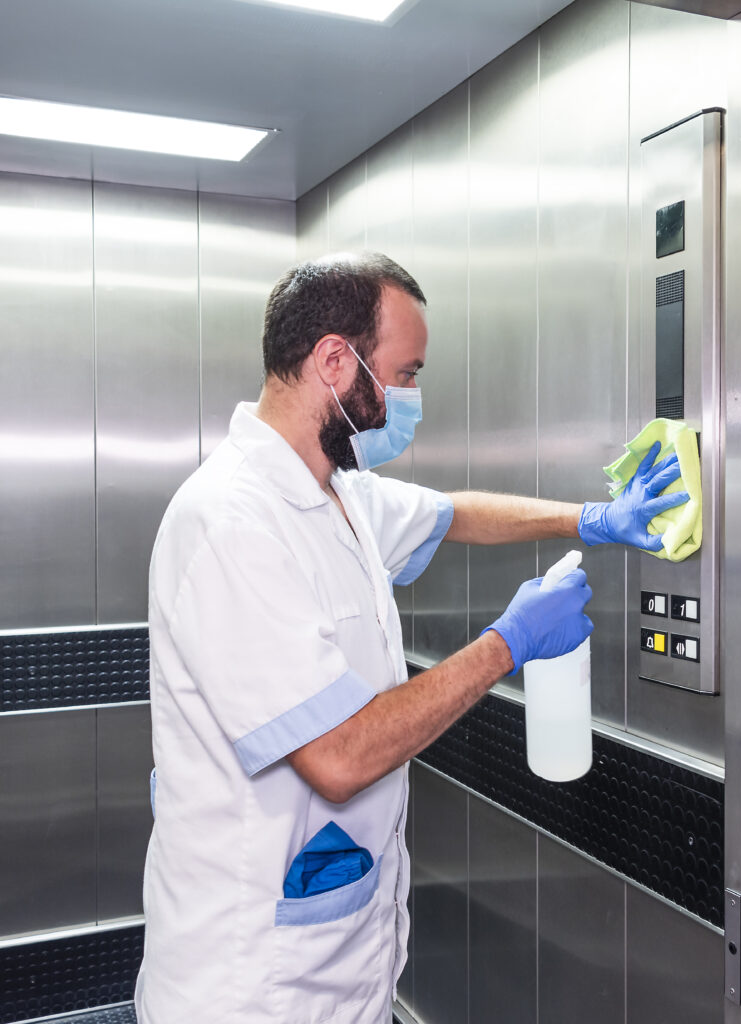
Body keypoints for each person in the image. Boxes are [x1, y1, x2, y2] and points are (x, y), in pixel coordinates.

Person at [134, 252, 686, 1024]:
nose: (411, 398)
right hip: (250, 984)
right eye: (406, 373)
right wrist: (507, 643)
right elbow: (338, 758)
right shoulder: (231, 523)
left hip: (337, 965)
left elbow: (455, 513)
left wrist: (592, 520)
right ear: (335, 360)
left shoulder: (338, 495)